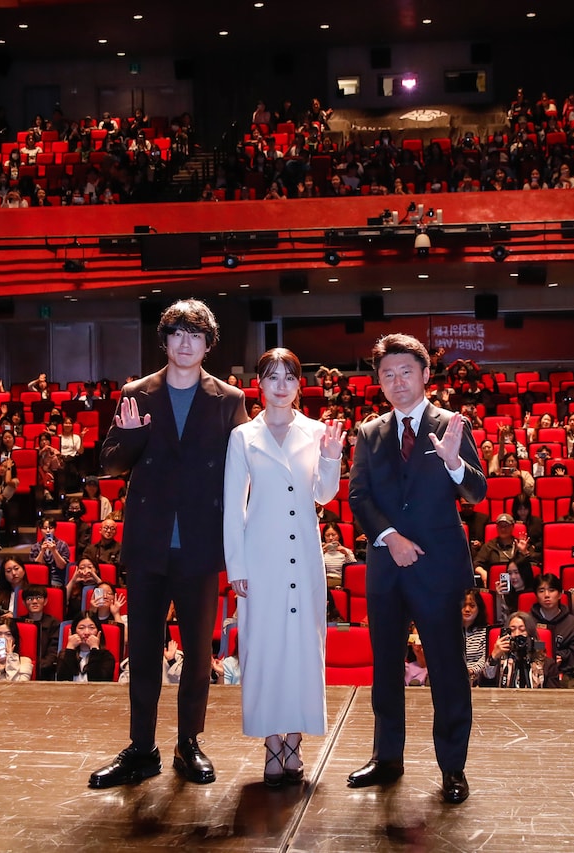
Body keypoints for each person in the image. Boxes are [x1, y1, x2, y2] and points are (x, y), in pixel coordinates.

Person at [89, 299, 249, 790]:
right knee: (143, 649)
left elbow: (243, 470)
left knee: (198, 655)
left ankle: (188, 744)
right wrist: (132, 437)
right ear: (165, 340)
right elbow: (110, 464)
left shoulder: (229, 399)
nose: (185, 343)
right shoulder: (137, 393)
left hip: (201, 543)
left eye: (195, 336)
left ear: (207, 344)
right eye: (177, 334)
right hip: (149, 541)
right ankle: (141, 748)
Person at [346, 333, 487, 805]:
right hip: (387, 566)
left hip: (437, 571)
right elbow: (359, 498)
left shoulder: (453, 425)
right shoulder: (369, 433)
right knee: (386, 667)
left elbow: (478, 493)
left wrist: (454, 466)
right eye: (387, 373)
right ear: (378, 381)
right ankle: (387, 758)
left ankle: (453, 767)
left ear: (426, 374)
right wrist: (390, 538)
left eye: (406, 371)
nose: (397, 381)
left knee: (446, 668)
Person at [223, 347, 344, 787]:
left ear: (299, 385)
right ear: (259, 383)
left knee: (301, 651)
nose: (280, 385)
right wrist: (236, 562)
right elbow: (234, 506)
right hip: (261, 558)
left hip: (305, 558)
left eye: (288, 377)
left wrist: (331, 457)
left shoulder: (315, 432)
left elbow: (324, 496)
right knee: (264, 651)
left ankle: (294, 747)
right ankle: (272, 748)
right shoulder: (243, 437)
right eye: (271, 376)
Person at [484, 611, 560, 688]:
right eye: (512, 630)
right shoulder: (499, 661)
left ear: (531, 635)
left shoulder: (548, 664)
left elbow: (553, 695)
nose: (517, 634)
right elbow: (485, 686)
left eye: (522, 630)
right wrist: (493, 658)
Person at [56, 611, 116, 682]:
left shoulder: (106, 657)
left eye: (91, 627)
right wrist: (70, 649)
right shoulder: (64, 654)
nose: (86, 632)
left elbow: (98, 682)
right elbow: (61, 681)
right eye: (81, 628)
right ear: (74, 631)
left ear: (98, 631)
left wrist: (94, 649)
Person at [20, 586, 61, 680]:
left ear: (45, 601)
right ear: (24, 603)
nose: (34, 602)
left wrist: (37, 666)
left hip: (45, 671)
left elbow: (53, 652)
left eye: (38, 598)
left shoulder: (54, 624)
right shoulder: (19, 623)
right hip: (21, 669)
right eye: (30, 599)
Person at [28, 517, 71, 587]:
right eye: (44, 528)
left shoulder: (63, 545)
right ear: (40, 530)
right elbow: (35, 568)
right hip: (39, 578)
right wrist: (42, 551)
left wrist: (54, 551)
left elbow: (62, 566)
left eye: (50, 528)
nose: (48, 531)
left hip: (56, 578)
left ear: (55, 529)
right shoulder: (35, 547)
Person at [320, 522, 357, 588]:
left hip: (339, 582)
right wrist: (322, 552)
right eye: (327, 535)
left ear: (339, 535)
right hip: (322, 581)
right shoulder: (320, 552)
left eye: (333, 535)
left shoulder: (346, 551)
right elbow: (313, 568)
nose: (331, 538)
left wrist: (346, 554)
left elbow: (353, 570)